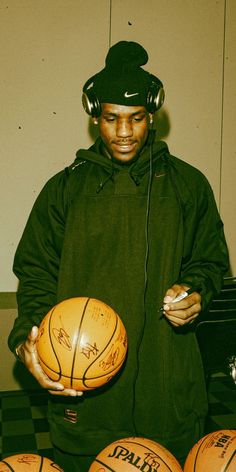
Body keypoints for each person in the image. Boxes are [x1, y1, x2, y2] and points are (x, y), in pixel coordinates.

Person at [8, 41, 229, 471]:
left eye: (136, 119)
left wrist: (197, 292)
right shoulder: (63, 191)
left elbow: (210, 261)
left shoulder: (188, 186)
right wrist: (25, 342)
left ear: (152, 117)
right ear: (95, 117)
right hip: (87, 398)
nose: (124, 132)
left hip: (168, 391)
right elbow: (36, 275)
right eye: (111, 118)